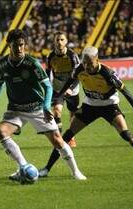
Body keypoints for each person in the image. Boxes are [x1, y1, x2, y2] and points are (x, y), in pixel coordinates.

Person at [43, 46, 133, 176]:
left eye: (90, 63)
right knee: (66, 136)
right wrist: (57, 98)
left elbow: (126, 91)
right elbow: (68, 83)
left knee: (126, 135)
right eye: (84, 63)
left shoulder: (108, 73)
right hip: (89, 106)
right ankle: (46, 169)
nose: (87, 66)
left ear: (97, 60)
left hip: (109, 107)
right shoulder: (80, 69)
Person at [0, 29, 87, 183]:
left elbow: (47, 87)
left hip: (37, 108)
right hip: (15, 109)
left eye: (22, 45)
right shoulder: (2, 64)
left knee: (58, 141)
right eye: (16, 45)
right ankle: (24, 167)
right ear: (8, 45)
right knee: (1, 132)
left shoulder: (32, 64)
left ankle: (75, 171)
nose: (19, 48)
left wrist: (46, 107)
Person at [38, 31, 80, 177]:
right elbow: (48, 72)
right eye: (57, 40)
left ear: (66, 41)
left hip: (72, 89)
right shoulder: (50, 56)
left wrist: (70, 88)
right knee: (57, 111)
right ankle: (61, 138)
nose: (60, 42)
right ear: (54, 42)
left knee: (73, 112)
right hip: (57, 88)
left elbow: (78, 74)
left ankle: (72, 135)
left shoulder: (73, 56)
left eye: (62, 39)